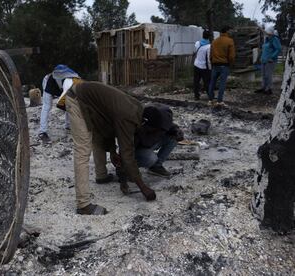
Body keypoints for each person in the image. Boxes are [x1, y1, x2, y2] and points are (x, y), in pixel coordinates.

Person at [65, 81, 183, 215]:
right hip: (77, 100)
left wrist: (112, 151)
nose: (156, 134)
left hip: (91, 104)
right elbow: (127, 154)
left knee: (97, 139)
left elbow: (107, 127)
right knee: (82, 151)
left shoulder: (140, 111)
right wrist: (143, 187)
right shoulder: (128, 118)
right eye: (155, 131)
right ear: (147, 125)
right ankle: (83, 204)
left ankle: (102, 176)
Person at [38, 65, 80, 143]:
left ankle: (68, 125)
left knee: (70, 103)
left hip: (62, 85)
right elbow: (61, 104)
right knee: (47, 106)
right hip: (49, 82)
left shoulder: (77, 81)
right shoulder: (68, 84)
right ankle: (42, 131)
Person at [208, 26, 236, 107]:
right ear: (227, 31)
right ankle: (219, 101)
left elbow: (211, 54)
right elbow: (231, 56)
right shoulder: (230, 41)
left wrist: (212, 62)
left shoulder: (214, 41)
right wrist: (231, 63)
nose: (231, 32)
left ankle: (210, 100)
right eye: (230, 31)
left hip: (215, 64)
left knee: (212, 82)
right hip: (224, 65)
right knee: (222, 83)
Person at [254, 26, 282, 95]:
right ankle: (263, 87)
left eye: (267, 32)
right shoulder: (267, 39)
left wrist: (272, 57)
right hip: (264, 60)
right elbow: (265, 50)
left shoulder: (274, 39)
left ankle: (269, 89)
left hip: (270, 60)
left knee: (268, 75)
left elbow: (278, 49)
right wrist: (261, 57)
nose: (266, 33)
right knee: (263, 74)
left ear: (271, 33)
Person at [193, 30, 212, 100]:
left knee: (196, 81)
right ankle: (210, 96)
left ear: (202, 35)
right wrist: (210, 68)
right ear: (209, 37)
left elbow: (196, 51)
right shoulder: (209, 46)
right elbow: (208, 59)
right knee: (207, 82)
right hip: (204, 67)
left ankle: (196, 96)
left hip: (196, 64)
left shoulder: (197, 43)